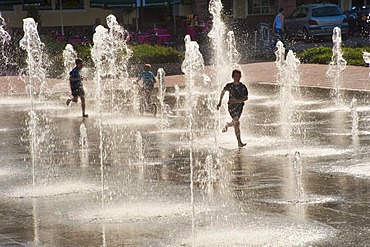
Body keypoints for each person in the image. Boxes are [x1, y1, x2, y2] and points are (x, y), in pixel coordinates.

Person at [216, 69, 248, 148]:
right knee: (237, 122)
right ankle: (239, 142)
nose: (238, 78)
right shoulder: (229, 86)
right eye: (236, 76)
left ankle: (228, 124)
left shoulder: (243, 87)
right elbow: (223, 92)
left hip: (239, 107)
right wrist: (220, 102)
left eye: (239, 76)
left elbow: (246, 98)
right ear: (232, 77)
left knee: (235, 122)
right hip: (231, 107)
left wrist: (237, 101)